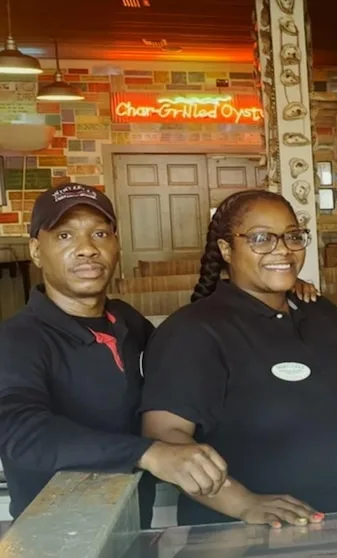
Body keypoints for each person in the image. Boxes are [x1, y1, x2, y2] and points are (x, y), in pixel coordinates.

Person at [140, 189, 337, 527]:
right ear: (226, 249)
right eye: (261, 238)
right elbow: (165, 436)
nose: (282, 249)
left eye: (293, 236)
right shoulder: (193, 331)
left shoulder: (321, 313)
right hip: (248, 535)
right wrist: (242, 503)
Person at [0, 183, 229, 526]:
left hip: (135, 525)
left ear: (116, 244)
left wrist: (280, 297)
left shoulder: (127, 321)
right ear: (36, 250)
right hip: (54, 534)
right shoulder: (18, 339)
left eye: (100, 234)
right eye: (65, 236)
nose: (87, 249)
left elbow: (181, 373)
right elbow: (22, 434)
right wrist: (148, 453)